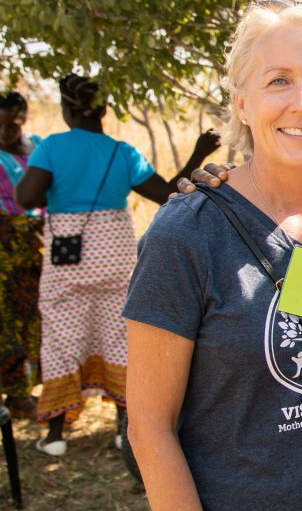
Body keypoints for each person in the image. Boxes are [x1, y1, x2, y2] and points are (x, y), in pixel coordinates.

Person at [124, 0, 302, 511]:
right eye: (278, 81)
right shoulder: (186, 236)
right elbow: (149, 429)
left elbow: (299, 299)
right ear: (242, 103)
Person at [14, 73, 220, 456]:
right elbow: (168, 194)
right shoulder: (122, 152)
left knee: (61, 334)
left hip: (67, 257)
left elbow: (26, 196)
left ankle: (57, 435)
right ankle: (123, 428)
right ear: (104, 109)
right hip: (115, 254)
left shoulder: (53, 147)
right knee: (118, 335)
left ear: (65, 109)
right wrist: (198, 154)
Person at [0, 91, 43, 419]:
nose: (4, 132)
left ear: (23, 119)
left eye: (11, 124)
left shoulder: (40, 147)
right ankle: (15, 393)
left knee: (36, 314)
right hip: (4, 244)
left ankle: (31, 385)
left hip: (40, 241)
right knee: (6, 318)